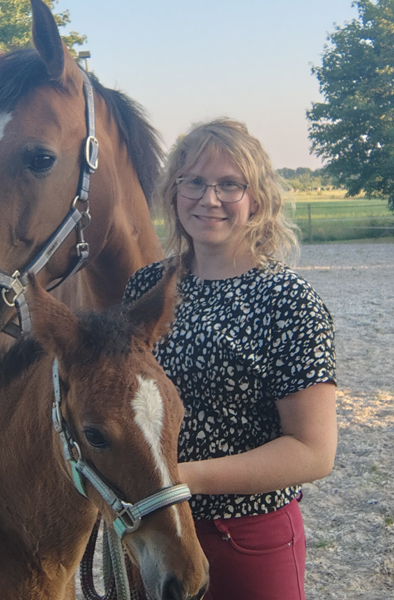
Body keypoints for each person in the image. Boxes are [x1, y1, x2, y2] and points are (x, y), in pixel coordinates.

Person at [123, 118, 337, 600]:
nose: (209, 198)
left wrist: (183, 479)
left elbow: (313, 450)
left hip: (246, 535)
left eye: (229, 185)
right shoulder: (146, 289)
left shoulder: (288, 301)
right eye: (194, 181)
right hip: (153, 529)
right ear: (174, 192)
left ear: (256, 199)